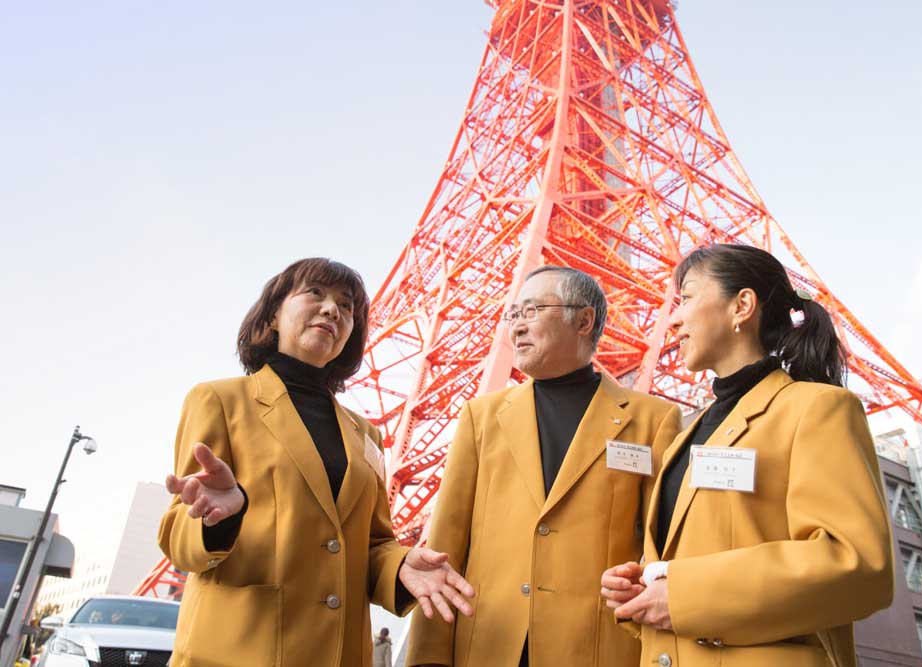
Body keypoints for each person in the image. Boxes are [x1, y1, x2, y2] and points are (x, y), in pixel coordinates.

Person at [158, 258, 475, 667]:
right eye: (315, 293)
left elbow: (372, 545)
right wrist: (217, 520)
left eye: (346, 306)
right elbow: (177, 538)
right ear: (274, 314)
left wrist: (400, 566)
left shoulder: (365, 434)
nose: (332, 310)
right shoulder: (220, 400)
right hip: (239, 651)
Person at [601, 244, 894, 667]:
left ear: (742, 306)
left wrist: (684, 595)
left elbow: (858, 564)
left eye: (686, 298)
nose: (673, 319)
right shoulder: (686, 436)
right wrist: (644, 588)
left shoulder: (817, 409)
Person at [407, 266, 682, 667]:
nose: (517, 326)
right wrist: (427, 658)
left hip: (597, 648)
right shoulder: (480, 417)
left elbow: (664, 550)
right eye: (513, 314)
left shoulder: (653, 420)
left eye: (532, 310)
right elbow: (444, 547)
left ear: (584, 321)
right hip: (489, 644)